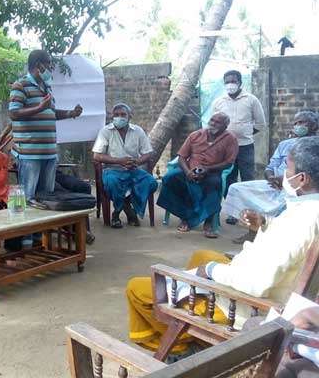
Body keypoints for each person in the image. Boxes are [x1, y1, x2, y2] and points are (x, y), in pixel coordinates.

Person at [127, 136, 319, 358]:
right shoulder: (308, 212)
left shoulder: (299, 222)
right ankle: (191, 324)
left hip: (252, 307)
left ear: (301, 179)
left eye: (288, 168)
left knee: (137, 289)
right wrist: (265, 223)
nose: (284, 173)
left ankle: (181, 350)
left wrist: (210, 271)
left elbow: (257, 284)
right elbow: (291, 245)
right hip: (275, 282)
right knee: (202, 255)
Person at [224, 110, 319, 244]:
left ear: (314, 125)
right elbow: (271, 166)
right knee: (237, 188)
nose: (297, 126)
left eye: (302, 122)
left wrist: (286, 180)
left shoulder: (315, 146)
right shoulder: (285, 144)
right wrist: (271, 178)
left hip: (300, 187)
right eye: (295, 123)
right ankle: (253, 231)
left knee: (288, 203)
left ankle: (273, 235)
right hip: (275, 184)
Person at [8, 49, 83, 202]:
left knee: (47, 201)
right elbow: (14, 113)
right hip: (29, 154)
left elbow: (51, 113)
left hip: (49, 153)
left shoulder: (47, 87)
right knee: (28, 199)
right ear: (39, 65)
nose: (50, 69)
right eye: (48, 64)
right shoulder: (20, 85)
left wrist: (71, 113)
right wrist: (39, 107)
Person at [157, 112, 238, 238]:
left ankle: (208, 221)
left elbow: (229, 163)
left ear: (225, 126)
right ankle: (185, 217)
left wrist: (207, 169)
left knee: (213, 184)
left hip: (212, 171)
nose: (213, 123)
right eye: (212, 120)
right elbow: (182, 157)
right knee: (170, 178)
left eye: (217, 122)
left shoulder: (231, 139)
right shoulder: (196, 135)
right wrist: (188, 172)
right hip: (189, 169)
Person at [211, 70, 266, 224]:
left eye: (233, 81)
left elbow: (260, 123)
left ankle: (249, 213)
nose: (230, 84)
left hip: (245, 146)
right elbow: (214, 124)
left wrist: (245, 133)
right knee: (229, 179)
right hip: (225, 148)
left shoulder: (251, 100)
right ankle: (233, 213)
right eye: (227, 82)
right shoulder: (219, 102)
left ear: (240, 82)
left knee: (247, 178)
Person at [92, 103, 158, 228]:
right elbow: (97, 156)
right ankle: (120, 212)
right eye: (116, 115)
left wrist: (137, 162)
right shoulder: (105, 131)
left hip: (133, 169)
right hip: (112, 170)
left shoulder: (138, 131)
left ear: (130, 116)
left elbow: (148, 153)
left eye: (123, 115)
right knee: (112, 183)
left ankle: (128, 207)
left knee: (151, 182)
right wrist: (119, 161)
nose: (119, 117)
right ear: (112, 117)